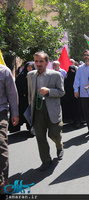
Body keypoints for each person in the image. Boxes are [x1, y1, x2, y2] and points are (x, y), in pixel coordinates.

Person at [27, 52, 65, 171]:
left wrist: (49, 91)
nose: (38, 64)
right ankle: (46, 160)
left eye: (41, 61)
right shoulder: (30, 75)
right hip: (37, 109)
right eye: (36, 61)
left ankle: (59, 146)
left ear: (47, 62)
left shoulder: (56, 75)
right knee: (40, 137)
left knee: (54, 133)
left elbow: (61, 92)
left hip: (52, 109)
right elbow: (30, 93)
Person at [0, 64, 19, 193]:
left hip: (1, 112)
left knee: (0, 143)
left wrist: (15, 113)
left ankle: (3, 179)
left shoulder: (4, 71)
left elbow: (12, 93)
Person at [73, 50, 89, 136]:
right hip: (83, 93)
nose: (86, 57)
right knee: (86, 112)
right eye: (85, 55)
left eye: (88, 55)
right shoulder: (80, 68)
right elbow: (77, 79)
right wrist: (76, 90)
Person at [9, 61, 35, 135]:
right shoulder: (21, 76)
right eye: (28, 67)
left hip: (31, 99)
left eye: (31, 67)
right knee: (20, 112)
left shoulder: (35, 76)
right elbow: (17, 87)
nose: (30, 68)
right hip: (22, 99)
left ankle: (31, 129)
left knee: (31, 114)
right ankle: (15, 127)